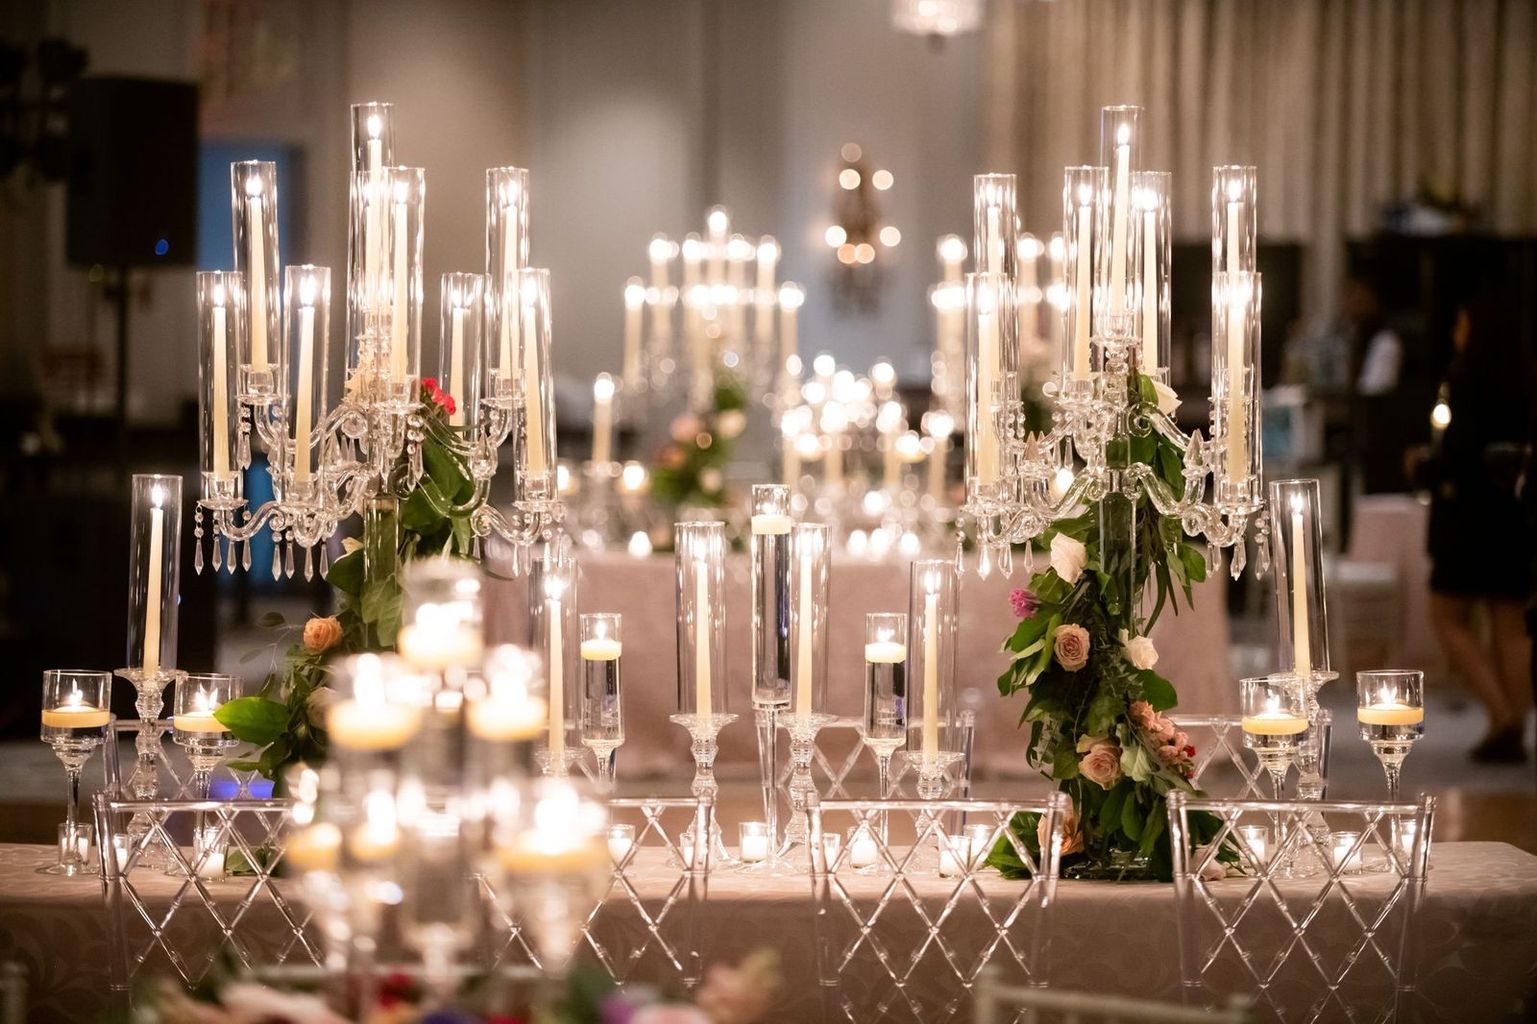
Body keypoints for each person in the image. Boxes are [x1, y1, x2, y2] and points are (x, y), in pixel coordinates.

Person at [1418, 290, 1532, 762]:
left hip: (1468, 521)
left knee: (1447, 617)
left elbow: (1458, 459)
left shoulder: (1464, 381)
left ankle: (1502, 714)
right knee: (1510, 624)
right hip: (1514, 516)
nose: (1454, 333)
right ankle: (1516, 724)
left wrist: (1424, 466)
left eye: (1461, 324)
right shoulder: (1525, 380)